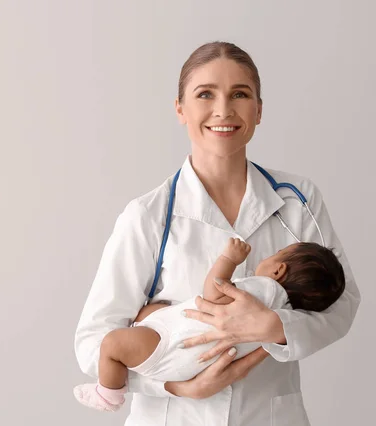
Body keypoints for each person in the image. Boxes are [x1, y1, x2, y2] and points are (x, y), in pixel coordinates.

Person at [74, 41, 361, 426]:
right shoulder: (147, 216)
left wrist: (275, 327)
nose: (223, 110)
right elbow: (94, 341)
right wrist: (177, 387)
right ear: (180, 108)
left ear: (259, 110)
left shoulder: (298, 200)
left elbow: (342, 306)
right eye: (205, 94)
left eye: (240, 94)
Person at [74, 238, 345, 412]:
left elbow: (214, 293)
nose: (269, 256)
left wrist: (228, 259)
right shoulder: (282, 305)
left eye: (277, 252)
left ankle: (108, 394)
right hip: (187, 358)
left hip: (175, 347)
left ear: (278, 271)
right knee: (148, 315)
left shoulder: (264, 288)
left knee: (112, 344)